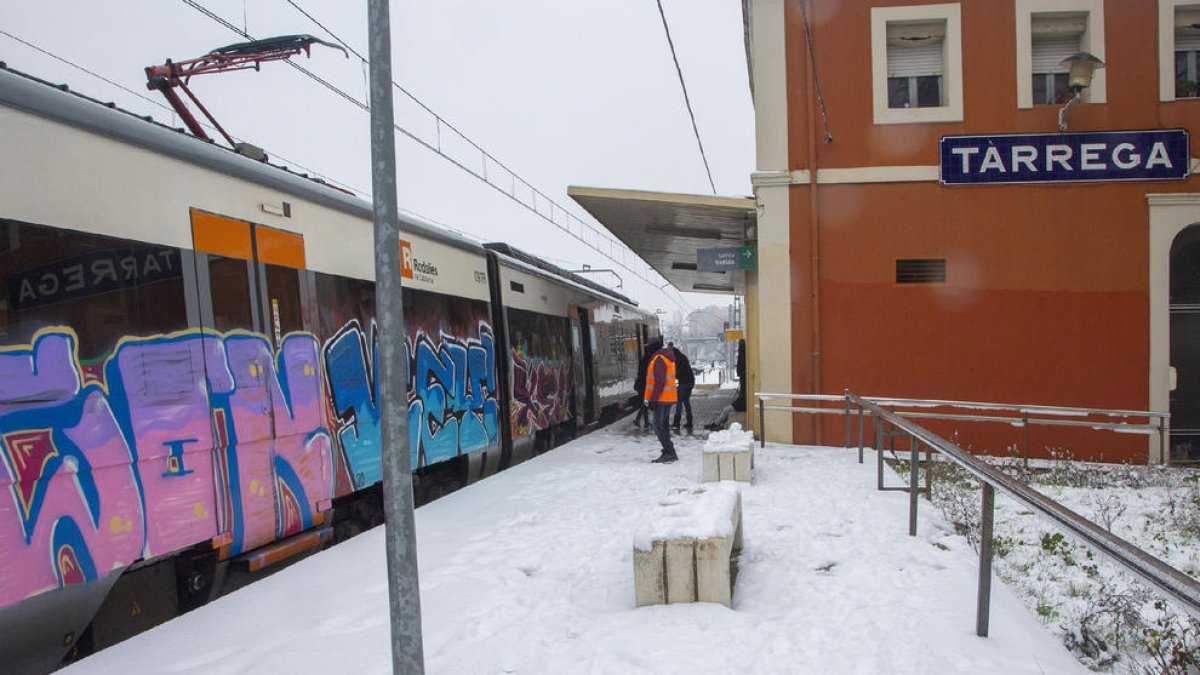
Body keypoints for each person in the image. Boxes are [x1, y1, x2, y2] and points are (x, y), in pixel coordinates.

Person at [643, 343, 678, 463]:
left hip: (660, 399)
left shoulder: (658, 359)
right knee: (663, 426)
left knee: (658, 426)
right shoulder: (667, 358)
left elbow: (659, 382)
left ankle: (669, 452)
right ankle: (669, 450)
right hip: (667, 398)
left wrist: (652, 399)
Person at [669, 342, 694, 432]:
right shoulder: (682, 356)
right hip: (690, 382)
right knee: (686, 402)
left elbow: (677, 372)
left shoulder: (676, 358)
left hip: (684, 383)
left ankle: (676, 424)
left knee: (679, 403)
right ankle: (690, 422)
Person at [631, 341, 658, 429]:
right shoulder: (649, 359)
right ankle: (639, 420)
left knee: (645, 403)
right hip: (645, 386)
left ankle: (645, 422)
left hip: (642, 385)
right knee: (645, 403)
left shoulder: (645, 358)